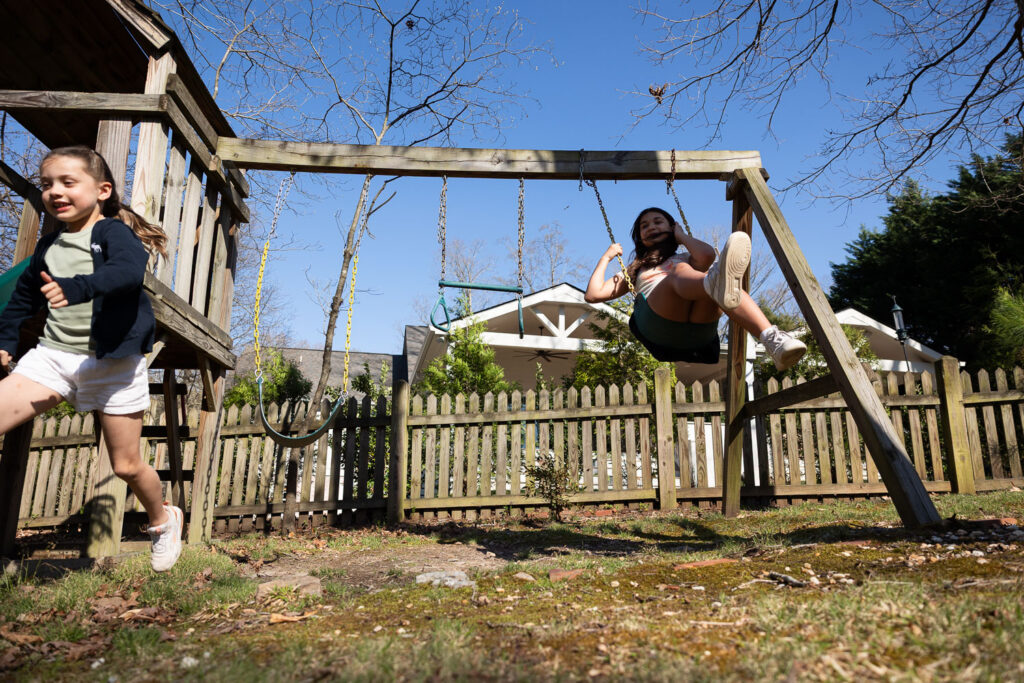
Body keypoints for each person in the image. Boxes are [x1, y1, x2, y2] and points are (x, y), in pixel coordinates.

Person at [0, 146, 181, 572]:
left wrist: (79, 287)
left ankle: (162, 519)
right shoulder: (48, 246)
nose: (55, 192)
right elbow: (20, 302)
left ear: (102, 191)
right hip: (54, 357)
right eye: (47, 184)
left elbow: (128, 272)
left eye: (67, 182)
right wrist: (6, 338)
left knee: (126, 465)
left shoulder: (113, 234)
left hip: (113, 364)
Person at [585, 206, 806, 371]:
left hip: (699, 332)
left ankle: (773, 341)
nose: (651, 226)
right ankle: (712, 284)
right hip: (657, 324)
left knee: (717, 281)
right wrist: (607, 257)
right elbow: (593, 295)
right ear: (640, 237)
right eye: (645, 225)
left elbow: (707, 255)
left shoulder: (686, 256)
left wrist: (681, 236)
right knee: (683, 271)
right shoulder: (635, 269)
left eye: (658, 222)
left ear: (671, 227)